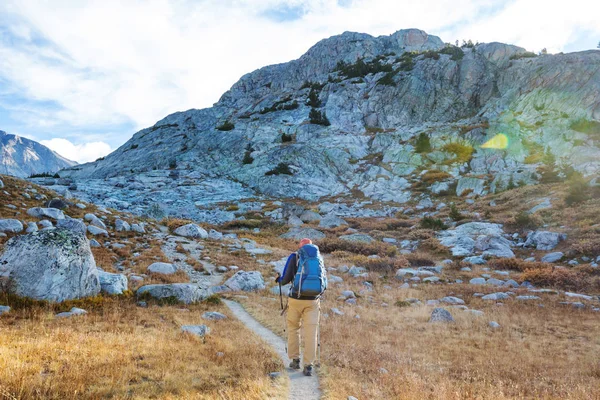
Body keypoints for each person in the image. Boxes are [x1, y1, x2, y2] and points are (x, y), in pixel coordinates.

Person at [276, 238, 327, 377]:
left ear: (300, 246)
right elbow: (324, 281)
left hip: (296, 299)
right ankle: (308, 366)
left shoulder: (295, 256)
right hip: (313, 301)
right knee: (311, 332)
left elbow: (285, 279)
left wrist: (279, 279)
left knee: (293, 328)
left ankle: (295, 360)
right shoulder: (318, 258)